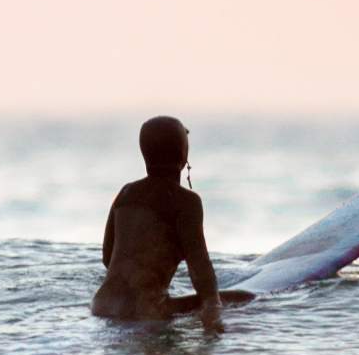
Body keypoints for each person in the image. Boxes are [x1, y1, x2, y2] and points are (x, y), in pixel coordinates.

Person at [91, 115, 251, 331]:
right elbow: (199, 267)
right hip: (145, 310)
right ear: (184, 156)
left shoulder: (126, 192)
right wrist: (213, 309)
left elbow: (107, 256)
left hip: (102, 305)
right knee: (244, 297)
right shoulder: (186, 202)